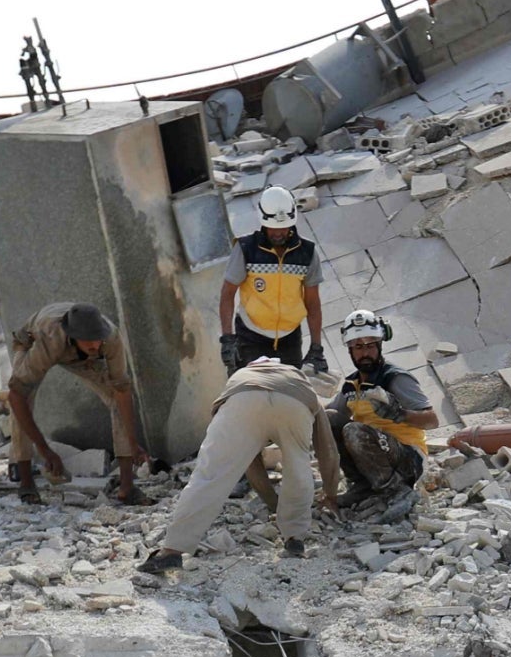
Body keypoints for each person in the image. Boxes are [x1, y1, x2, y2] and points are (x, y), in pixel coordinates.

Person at [137, 356, 341, 576]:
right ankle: (295, 540)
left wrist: (272, 503)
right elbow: (328, 453)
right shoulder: (300, 382)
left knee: (210, 475)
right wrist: (330, 494)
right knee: (298, 467)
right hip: (294, 401)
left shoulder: (242, 377)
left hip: (242, 399)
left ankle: (171, 551)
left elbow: (249, 465)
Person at [5, 301, 149, 506]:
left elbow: (122, 390)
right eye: (88, 341)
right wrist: (45, 450)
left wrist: (133, 443)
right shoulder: (50, 337)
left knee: (116, 396)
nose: (95, 345)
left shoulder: (110, 338)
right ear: (73, 337)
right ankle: (26, 481)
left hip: (80, 357)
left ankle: (128, 487)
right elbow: (15, 395)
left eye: (97, 340)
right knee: (22, 398)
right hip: (33, 341)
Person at [327, 309, 437, 509]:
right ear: (350, 350)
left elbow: (432, 420)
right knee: (330, 420)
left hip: (408, 459)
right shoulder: (352, 385)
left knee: (354, 430)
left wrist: (400, 415)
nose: (365, 353)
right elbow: (332, 419)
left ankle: (396, 490)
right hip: (375, 458)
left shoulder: (395, 378)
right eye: (358, 347)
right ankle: (362, 485)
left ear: (379, 345)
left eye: (370, 345)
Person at [220, 187, 325, 372]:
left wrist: (316, 347)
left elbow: (313, 303)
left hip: (289, 339)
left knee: (290, 395)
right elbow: (227, 294)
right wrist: (228, 338)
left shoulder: (307, 253)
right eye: (273, 228)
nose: (278, 233)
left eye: (283, 228)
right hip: (251, 337)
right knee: (249, 393)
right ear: (263, 222)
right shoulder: (246, 249)